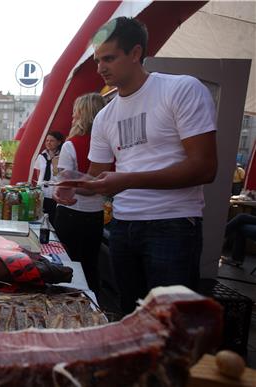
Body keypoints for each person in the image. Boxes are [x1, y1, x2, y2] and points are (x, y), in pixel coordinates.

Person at [55, 17, 217, 314]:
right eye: (97, 60)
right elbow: (97, 176)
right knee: (132, 317)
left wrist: (126, 180)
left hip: (173, 223)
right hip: (123, 226)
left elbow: (204, 167)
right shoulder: (105, 115)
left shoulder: (180, 90)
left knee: (171, 324)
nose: (100, 67)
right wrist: (74, 185)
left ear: (135, 53)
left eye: (109, 58)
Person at [54, 93, 106, 294]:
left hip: (72, 212)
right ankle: (94, 306)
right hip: (96, 213)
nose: (72, 116)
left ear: (83, 114)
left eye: (76, 111)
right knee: (90, 264)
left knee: (69, 265)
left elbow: (65, 183)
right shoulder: (106, 142)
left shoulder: (72, 144)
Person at [34, 131, 64, 223]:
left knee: (53, 218)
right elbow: (38, 174)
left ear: (59, 142)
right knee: (40, 217)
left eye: (52, 141)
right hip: (42, 192)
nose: (48, 143)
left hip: (54, 193)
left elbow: (64, 175)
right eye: (47, 140)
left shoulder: (62, 156)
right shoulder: (41, 156)